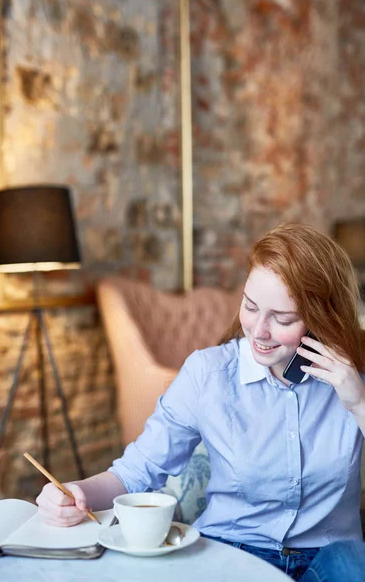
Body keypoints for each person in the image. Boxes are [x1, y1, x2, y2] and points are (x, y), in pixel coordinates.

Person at [36, 223, 365, 581]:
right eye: (251, 306)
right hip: (235, 553)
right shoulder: (208, 374)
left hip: (331, 557)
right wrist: (74, 493)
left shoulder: (355, 372)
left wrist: (358, 402)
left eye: (283, 318)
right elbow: (135, 472)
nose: (259, 330)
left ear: (322, 319)